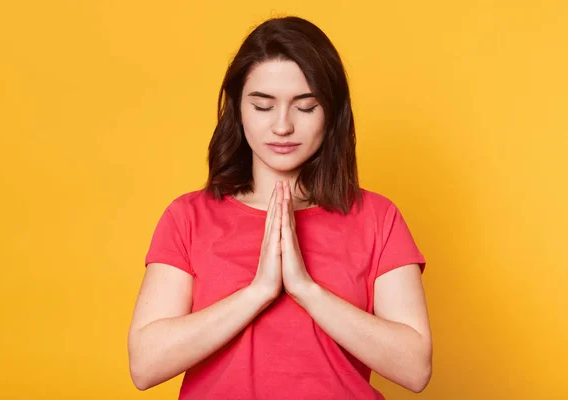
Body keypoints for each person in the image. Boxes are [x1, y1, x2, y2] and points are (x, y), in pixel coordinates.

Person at [127, 15, 432, 399]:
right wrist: (259, 291)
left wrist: (306, 289)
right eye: (263, 106)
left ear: (332, 113)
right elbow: (145, 365)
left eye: (305, 107)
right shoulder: (188, 217)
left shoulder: (378, 217)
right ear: (237, 109)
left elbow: (415, 368)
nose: (283, 126)